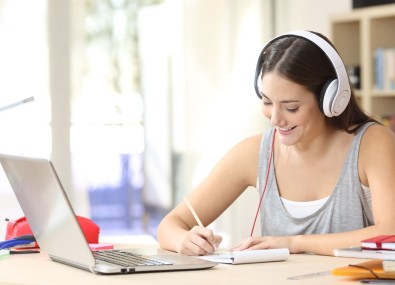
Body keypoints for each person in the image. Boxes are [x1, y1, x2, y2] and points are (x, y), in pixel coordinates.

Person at [156, 30, 395, 256]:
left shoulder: (372, 143)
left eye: (291, 107)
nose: (275, 119)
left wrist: (294, 243)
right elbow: (170, 225)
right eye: (267, 102)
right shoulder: (255, 152)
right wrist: (184, 241)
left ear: (330, 99)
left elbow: (390, 232)